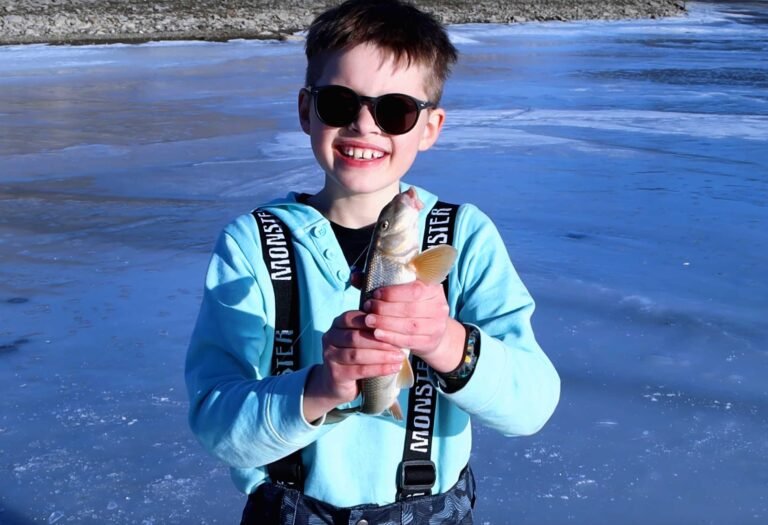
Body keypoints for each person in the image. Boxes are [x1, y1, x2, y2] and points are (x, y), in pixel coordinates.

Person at [185, 0, 560, 523]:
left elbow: (532, 406)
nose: (364, 125)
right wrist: (320, 389)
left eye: (395, 111)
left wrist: (445, 341)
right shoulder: (252, 243)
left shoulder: (465, 236)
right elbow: (217, 424)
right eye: (340, 103)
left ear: (430, 126)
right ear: (305, 110)